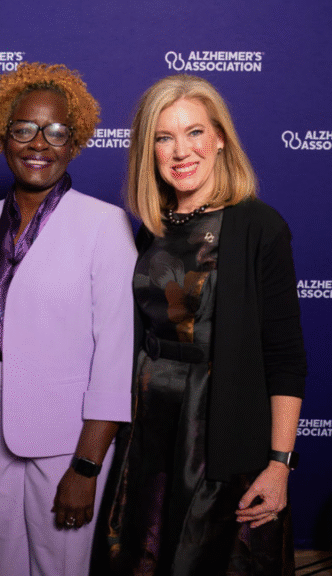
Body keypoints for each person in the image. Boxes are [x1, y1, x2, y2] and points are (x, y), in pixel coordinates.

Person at [0, 62, 136, 576]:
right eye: (24, 129)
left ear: (74, 142)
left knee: (61, 568)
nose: (38, 144)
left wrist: (87, 465)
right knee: (5, 566)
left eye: (55, 131)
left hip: (68, 437)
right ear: (5, 136)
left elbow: (116, 357)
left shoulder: (105, 225)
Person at [107, 74, 307, 575]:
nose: (181, 151)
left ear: (220, 138)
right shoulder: (150, 228)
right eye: (164, 137)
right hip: (149, 430)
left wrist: (279, 465)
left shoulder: (259, 226)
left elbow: (285, 357)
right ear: (147, 149)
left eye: (195, 132)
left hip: (219, 433)